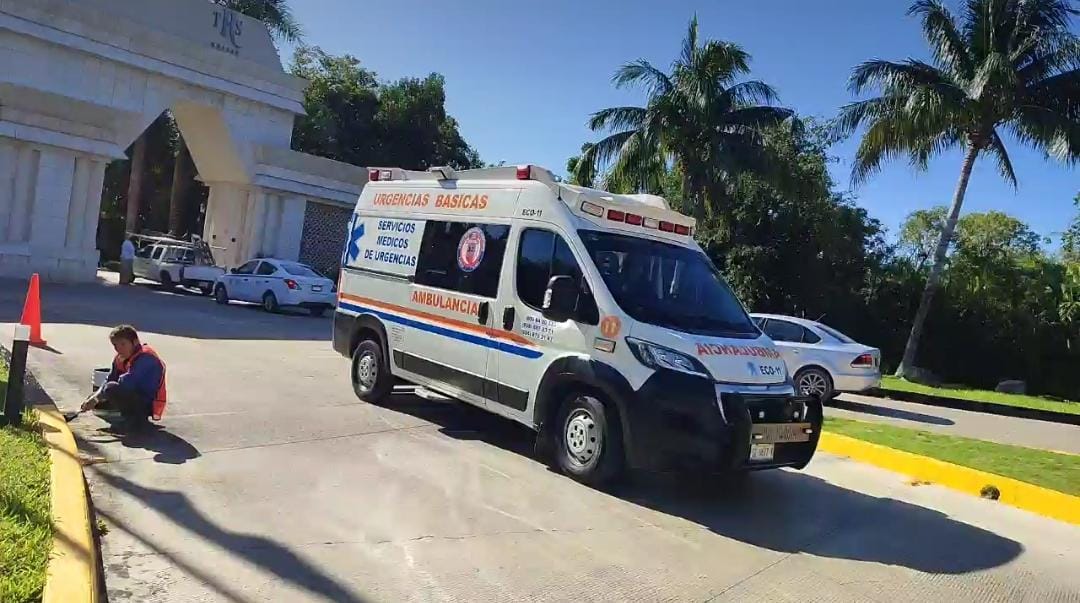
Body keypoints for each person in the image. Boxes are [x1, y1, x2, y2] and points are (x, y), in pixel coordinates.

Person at [81, 325, 168, 430]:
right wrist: (94, 398)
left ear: (135, 342)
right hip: (133, 395)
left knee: (110, 388)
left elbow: (127, 382)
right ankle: (128, 417)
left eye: (123, 344)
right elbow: (110, 378)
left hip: (147, 401)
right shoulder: (120, 357)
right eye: (115, 345)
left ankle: (136, 420)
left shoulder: (146, 357)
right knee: (97, 396)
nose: (119, 349)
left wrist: (98, 398)